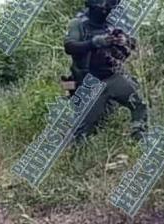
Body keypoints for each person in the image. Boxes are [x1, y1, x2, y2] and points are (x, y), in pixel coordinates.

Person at [64, 0, 148, 140]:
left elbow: (131, 46)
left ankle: (139, 137)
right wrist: (95, 42)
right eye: (103, 6)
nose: (106, 9)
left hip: (112, 77)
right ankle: (76, 156)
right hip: (90, 83)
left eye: (109, 6)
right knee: (84, 132)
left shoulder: (112, 22)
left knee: (139, 103)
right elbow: (70, 46)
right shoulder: (78, 23)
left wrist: (124, 41)